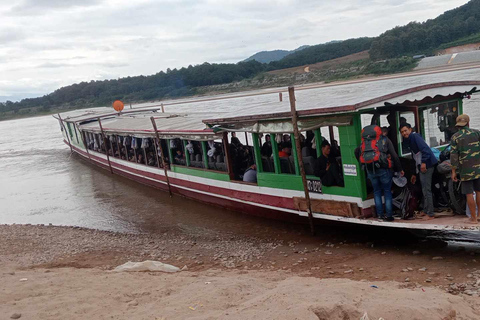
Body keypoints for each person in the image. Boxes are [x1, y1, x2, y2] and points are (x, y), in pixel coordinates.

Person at [355, 125, 404, 221]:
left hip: (371, 171)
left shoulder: (365, 142)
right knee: (387, 192)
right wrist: (399, 169)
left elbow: (356, 151)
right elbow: (394, 155)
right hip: (384, 170)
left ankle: (380, 215)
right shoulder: (385, 140)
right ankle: (389, 215)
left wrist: (362, 163)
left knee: (376, 191)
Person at [399, 123, 438, 219]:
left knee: (427, 189)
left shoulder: (415, 136)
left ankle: (430, 213)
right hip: (421, 166)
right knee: (424, 188)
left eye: (405, 130)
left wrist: (424, 163)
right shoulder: (409, 140)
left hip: (427, 165)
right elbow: (415, 157)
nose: (404, 133)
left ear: (410, 129)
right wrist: (414, 173)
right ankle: (426, 210)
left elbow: (425, 150)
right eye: (402, 132)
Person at [450, 114, 480, 224]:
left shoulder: (455, 137)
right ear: (468, 123)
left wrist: (453, 171)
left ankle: (474, 218)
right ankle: (479, 215)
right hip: (478, 168)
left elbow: (454, 156)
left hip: (465, 170)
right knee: (479, 191)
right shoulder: (477, 133)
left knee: (469, 193)